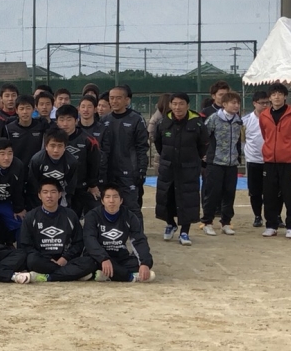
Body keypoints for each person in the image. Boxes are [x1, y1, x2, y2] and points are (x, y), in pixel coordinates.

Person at [16, 179, 96, 283]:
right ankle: (71, 274)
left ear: (59, 194)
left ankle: (48, 277)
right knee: (32, 260)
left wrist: (65, 258)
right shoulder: (31, 216)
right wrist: (46, 259)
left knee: (89, 262)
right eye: (45, 192)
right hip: (41, 260)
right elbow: (25, 245)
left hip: (65, 259)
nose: (49, 196)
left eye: (53, 192)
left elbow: (79, 243)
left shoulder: (70, 215)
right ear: (39, 195)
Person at [154, 92, 207, 245]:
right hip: (168, 168)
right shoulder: (163, 122)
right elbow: (158, 143)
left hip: (188, 169)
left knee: (187, 200)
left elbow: (203, 145)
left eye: (181, 104)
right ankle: (170, 224)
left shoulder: (197, 123)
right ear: (170, 105)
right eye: (175, 104)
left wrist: (193, 159)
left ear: (188, 105)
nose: (178, 107)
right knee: (166, 197)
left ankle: (185, 232)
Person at [259, 82, 291, 238]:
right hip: (270, 162)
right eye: (273, 94)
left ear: (285, 96)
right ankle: (271, 225)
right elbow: (265, 134)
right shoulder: (264, 115)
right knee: (269, 195)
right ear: (270, 98)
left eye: (279, 94)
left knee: (290, 195)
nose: (277, 97)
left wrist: (289, 150)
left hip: (288, 163)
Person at [83, 184, 155, 282]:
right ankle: (131, 277)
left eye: (115, 197)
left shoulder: (129, 216)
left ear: (121, 200)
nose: (111, 200)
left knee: (142, 262)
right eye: (107, 197)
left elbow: (139, 240)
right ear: (102, 201)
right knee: (88, 263)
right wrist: (103, 258)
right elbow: (90, 240)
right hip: (99, 258)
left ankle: (106, 274)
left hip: (119, 256)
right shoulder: (92, 216)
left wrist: (144, 263)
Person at [98, 84, 149, 218]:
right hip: (108, 172)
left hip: (129, 173)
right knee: (109, 206)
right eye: (112, 98)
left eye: (118, 98)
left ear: (127, 100)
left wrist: (141, 170)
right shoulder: (104, 120)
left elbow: (142, 147)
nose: (114, 101)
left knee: (131, 207)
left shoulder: (136, 119)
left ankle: (137, 232)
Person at [201, 91, 243, 236]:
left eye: (238, 103)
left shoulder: (238, 120)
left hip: (232, 164)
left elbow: (238, 141)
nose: (236, 106)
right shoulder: (214, 118)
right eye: (233, 103)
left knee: (229, 193)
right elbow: (203, 136)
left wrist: (238, 157)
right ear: (224, 104)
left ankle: (226, 222)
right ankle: (207, 222)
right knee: (213, 193)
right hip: (215, 162)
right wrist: (205, 155)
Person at [54, 104, 101, 217]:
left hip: (80, 188)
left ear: (76, 121)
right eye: (61, 120)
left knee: (76, 217)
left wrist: (92, 184)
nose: (65, 124)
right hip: (57, 187)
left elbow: (94, 164)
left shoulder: (88, 140)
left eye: (69, 119)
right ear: (57, 122)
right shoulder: (51, 139)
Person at [26, 127, 79, 210]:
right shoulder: (37, 160)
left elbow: (70, 187)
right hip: (39, 197)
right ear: (46, 146)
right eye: (52, 146)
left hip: (61, 196)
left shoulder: (72, 162)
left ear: (65, 147)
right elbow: (33, 185)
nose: (56, 150)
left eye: (60, 146)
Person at [241, 90, 269, 228]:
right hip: (253, 161)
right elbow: (242, 140)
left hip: (270, 160)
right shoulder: (245, 120)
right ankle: (257, 216)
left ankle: (274, 216)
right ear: (254, 103)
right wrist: (248, 154)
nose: (264, 105)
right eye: (261, 103)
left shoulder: (272, 118)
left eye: (267, 103)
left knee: (272, 191)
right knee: (255, 191)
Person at [4, 95, 47, 170]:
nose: (25, 112)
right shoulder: (8, 128)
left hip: (36, 168)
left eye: (28, 108)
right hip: (15, 169)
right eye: (21, 108)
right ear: (16, 110)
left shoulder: (41, 127)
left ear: (33, 109)